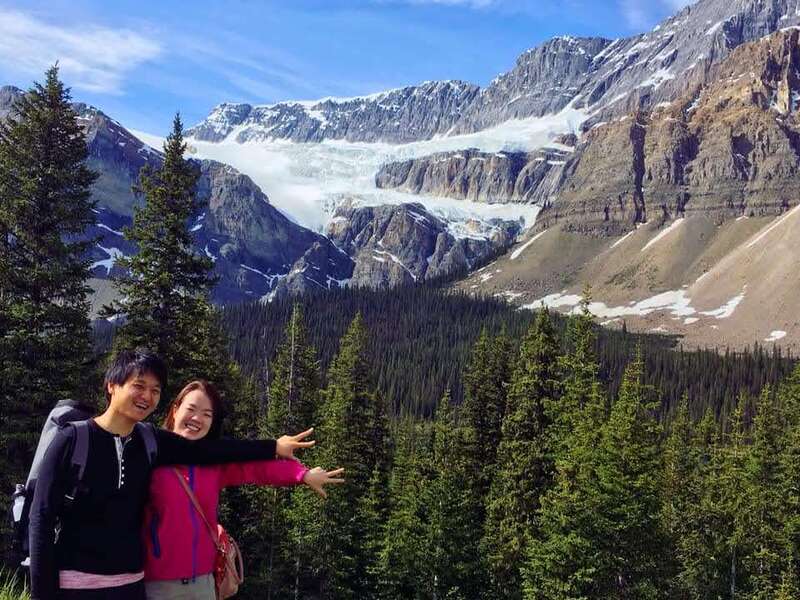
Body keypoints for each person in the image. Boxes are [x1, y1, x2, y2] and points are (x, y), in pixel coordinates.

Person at [28, 349, 315, 600]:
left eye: (155, 390)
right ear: (112, 385)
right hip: (75, 585)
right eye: (138, 385)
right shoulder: (72, 440)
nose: (147, 396)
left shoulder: (150, 441)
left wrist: (274, 447)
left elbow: (210, 451)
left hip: (131, 586)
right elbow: (41, 519)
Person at [143, 379, 344, 599]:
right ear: (175, 410)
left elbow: (256, 469)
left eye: (207, 414)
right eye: (191, 409)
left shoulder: (213, 465)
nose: (197, 418)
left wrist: (302, 474)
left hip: (203, 584)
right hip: (157, 585)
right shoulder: (151, 460)